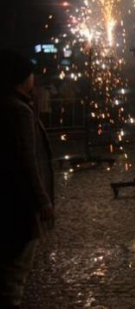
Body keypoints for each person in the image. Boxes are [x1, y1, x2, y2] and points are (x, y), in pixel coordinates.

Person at [0, 50, 55, 309]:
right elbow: (28, 159)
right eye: (31, 74)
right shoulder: (18, 110)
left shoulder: (10, 103)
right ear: (22, 78)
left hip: (12, 198)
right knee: (15, 272)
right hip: (20, 202)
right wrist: (43, 201)